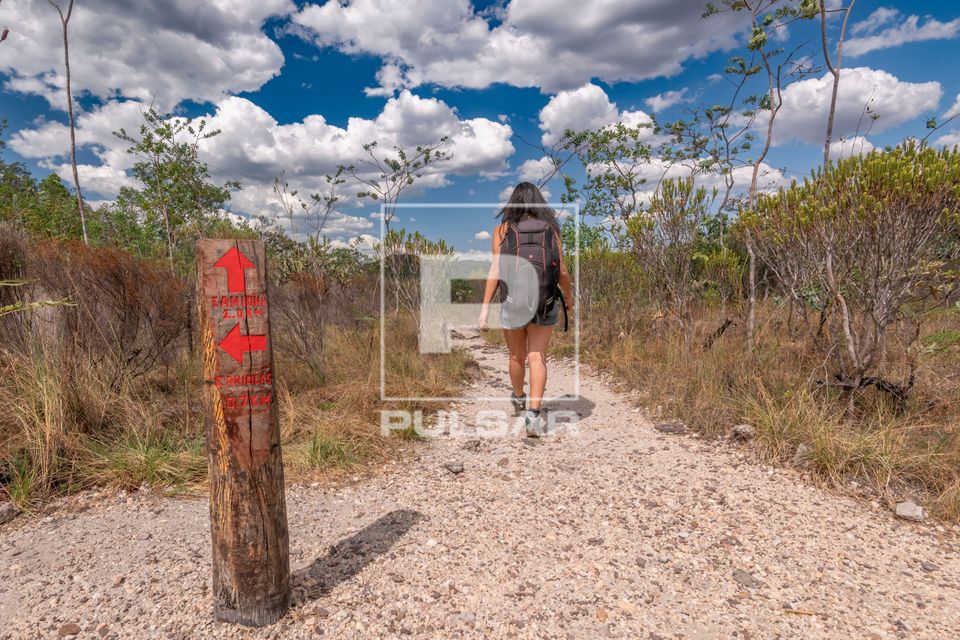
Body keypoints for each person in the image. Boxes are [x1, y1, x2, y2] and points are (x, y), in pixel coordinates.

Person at [478, 182, 573, 436]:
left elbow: (496, 270)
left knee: (516, 356)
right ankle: (533, 414)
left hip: (513, 302)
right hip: (547, 301)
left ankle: (519, 397)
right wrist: (570, 300)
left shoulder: (502, 230)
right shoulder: (551, 230)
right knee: (538, 356)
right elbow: (562, 271)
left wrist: (485, 308)